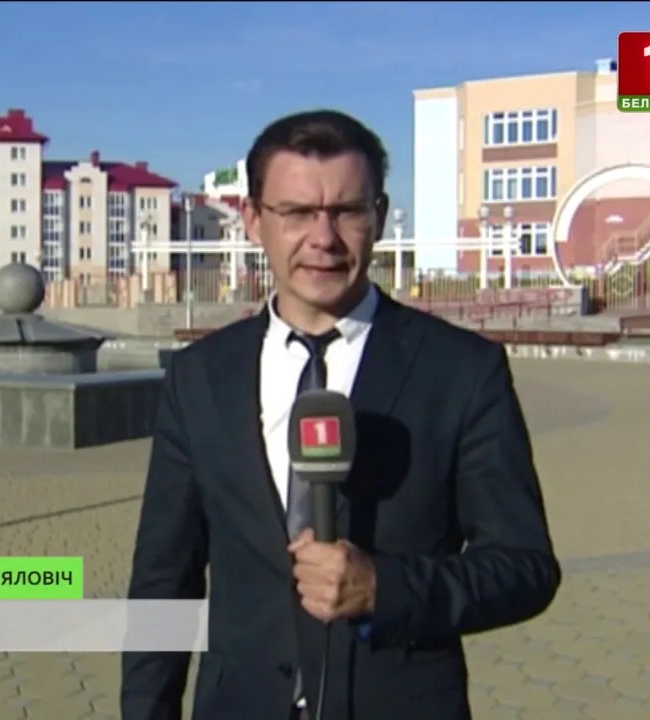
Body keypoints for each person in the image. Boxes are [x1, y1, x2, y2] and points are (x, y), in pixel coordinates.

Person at [121, 110, 560, 720]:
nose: (323, 238)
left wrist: (385, 587)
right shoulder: (199, 376)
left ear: (378, 216)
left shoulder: (463, 370)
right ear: (253, 220)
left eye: (347, 211)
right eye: (297, 212)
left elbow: (524, 567)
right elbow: (162, 582)